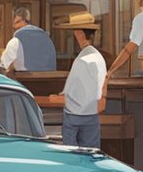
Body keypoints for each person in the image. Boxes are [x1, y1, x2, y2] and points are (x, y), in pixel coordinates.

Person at [40, 12, 109, 148]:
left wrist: (56, 98)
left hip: (75, 116)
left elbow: (72, 94)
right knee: (91, 154)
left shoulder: (81, 61)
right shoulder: (99, 58)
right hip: (92, 115)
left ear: (80, 33)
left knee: (72, 156)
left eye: (75, 31)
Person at [0, 7, 58, 73]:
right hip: (49, 80)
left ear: (18, 19)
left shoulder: (16, 41)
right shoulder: (47, 38)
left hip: (26, 81)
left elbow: (4, 65)